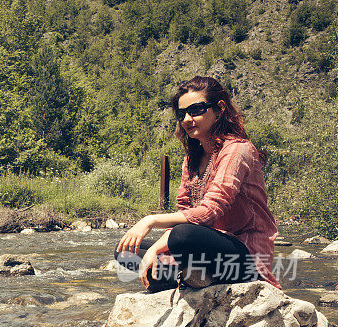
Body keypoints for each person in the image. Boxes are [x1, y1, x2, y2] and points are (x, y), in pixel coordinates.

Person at [115, 76, 280, 291]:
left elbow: (210, 211)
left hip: (246, 256)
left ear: (219, 109)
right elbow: (185, 213)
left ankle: (185, 277)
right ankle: (191, 277)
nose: (186, 119)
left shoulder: (238, 149)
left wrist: (151, 223)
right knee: (125, 250)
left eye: (196, 110)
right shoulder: (191, 159)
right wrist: (157, 247)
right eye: (181, 113)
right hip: (204, 246)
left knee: (182, 236)